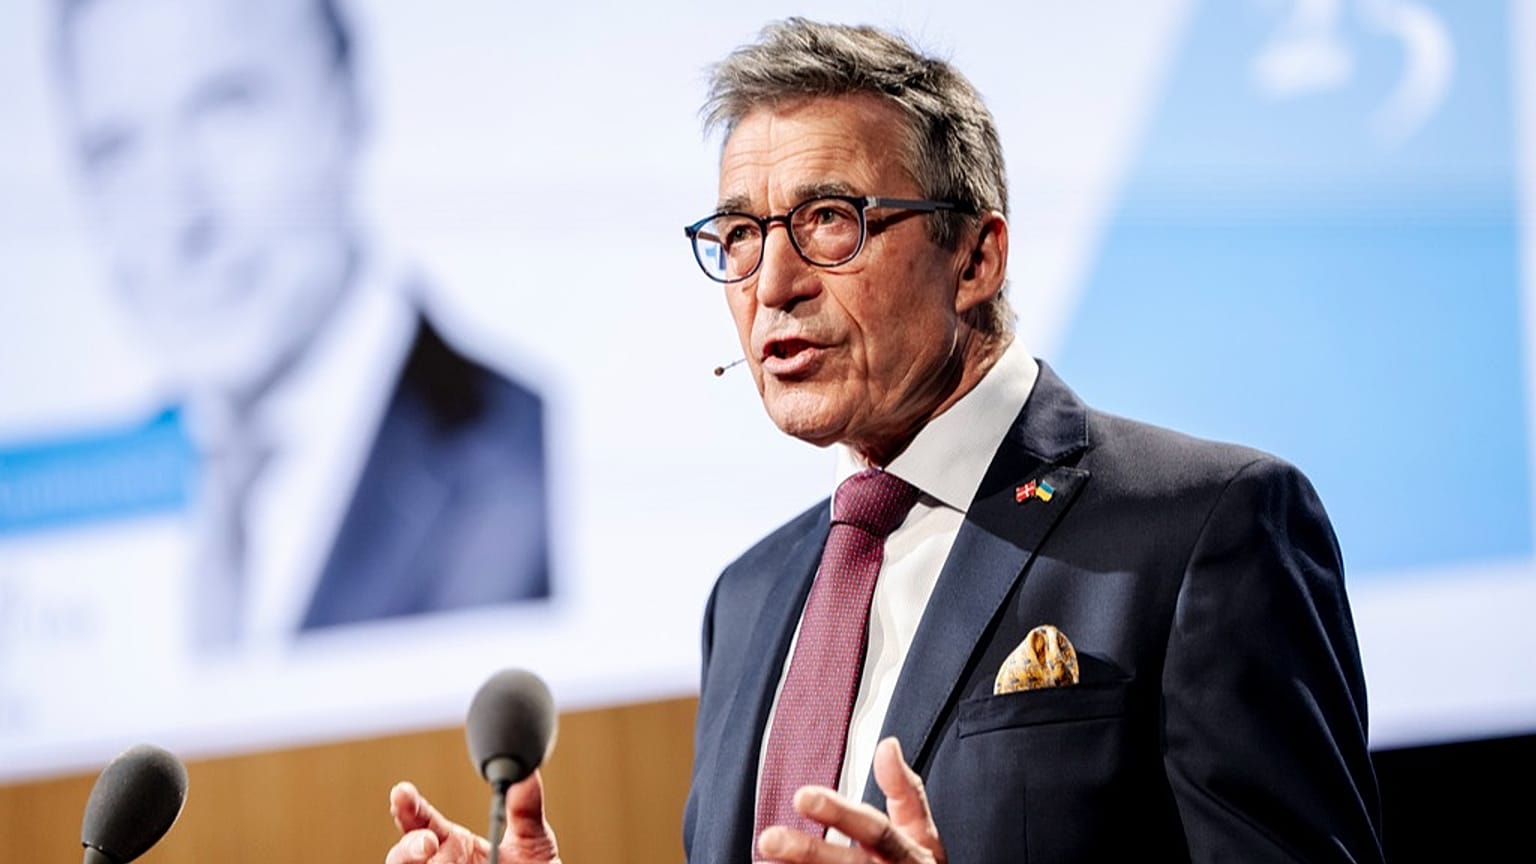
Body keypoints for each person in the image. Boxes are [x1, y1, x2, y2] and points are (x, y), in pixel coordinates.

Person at [385, 17, 1383, 864]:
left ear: (977, 257)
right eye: (738, 237)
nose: (771, 284)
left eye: (830, 220)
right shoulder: (749, 599)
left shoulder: (1203, 526)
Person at [54, 0, 550, 648]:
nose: (176, 215)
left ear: (349, 104)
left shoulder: (522, 465)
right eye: (115, 149)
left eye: (225, 108)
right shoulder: (86, 513)